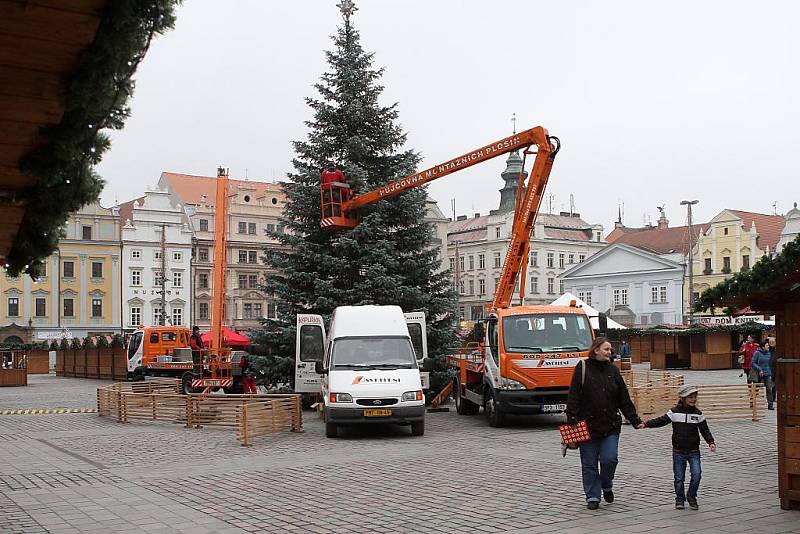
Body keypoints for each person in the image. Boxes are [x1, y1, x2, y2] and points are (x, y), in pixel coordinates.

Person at [566, 336, 643, 510]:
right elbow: (573, 396)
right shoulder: (582, 368)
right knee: (589, 464)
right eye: (607, 349)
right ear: (596, 350)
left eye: (610, 350)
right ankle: (593, 496)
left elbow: (624, 398)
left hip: (610, 425)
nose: (610, 352)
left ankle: (606, 484)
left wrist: (634, 419)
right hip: (587, 426)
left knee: (610, 459)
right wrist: (571, 419)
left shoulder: (613, 371)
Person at [640, 385, 716, 510]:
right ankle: (679, 498)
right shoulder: (674, 412)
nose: (693, 399)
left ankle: (691, 496)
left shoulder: (698, 414)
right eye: (690, 397)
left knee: (697, 474)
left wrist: (711, 441)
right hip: (678, 451)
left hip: (693, 451)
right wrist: (646, 424)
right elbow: (661, 420)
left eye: (694, 397)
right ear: (683, 398)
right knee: (679, 478)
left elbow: (704, 429)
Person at [751, 339, 775, 410]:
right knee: (756, 389)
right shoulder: (757, 353)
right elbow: (753, 363)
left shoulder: (769, 353)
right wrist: (759, 369)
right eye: (767, 345)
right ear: (763, 347)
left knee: (769, 389)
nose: (768, 346)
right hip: (758, 373)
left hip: (767, 373)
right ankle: (752, 402)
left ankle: (770, 405)